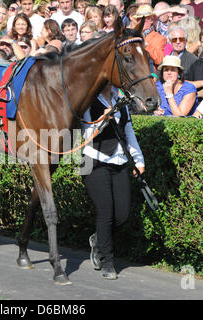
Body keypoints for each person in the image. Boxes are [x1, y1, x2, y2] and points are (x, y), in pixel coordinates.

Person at [83, 85, 145, 280]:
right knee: (106, 212)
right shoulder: (87, 101)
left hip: (119, 160)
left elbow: (129, 131)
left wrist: (139, 160)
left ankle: (99, 240)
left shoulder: (121, 102)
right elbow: (85, 135)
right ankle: (107, 262)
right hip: (93, 160)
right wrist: (103, 119)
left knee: (123, 214)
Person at [133, 5, 167, 71]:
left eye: (144, 20)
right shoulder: (132, 36)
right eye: (138, 19)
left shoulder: (160, 38)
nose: (140, 22)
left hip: (149, 75)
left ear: (152, 20)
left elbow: (160, 60)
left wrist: (145, 45)